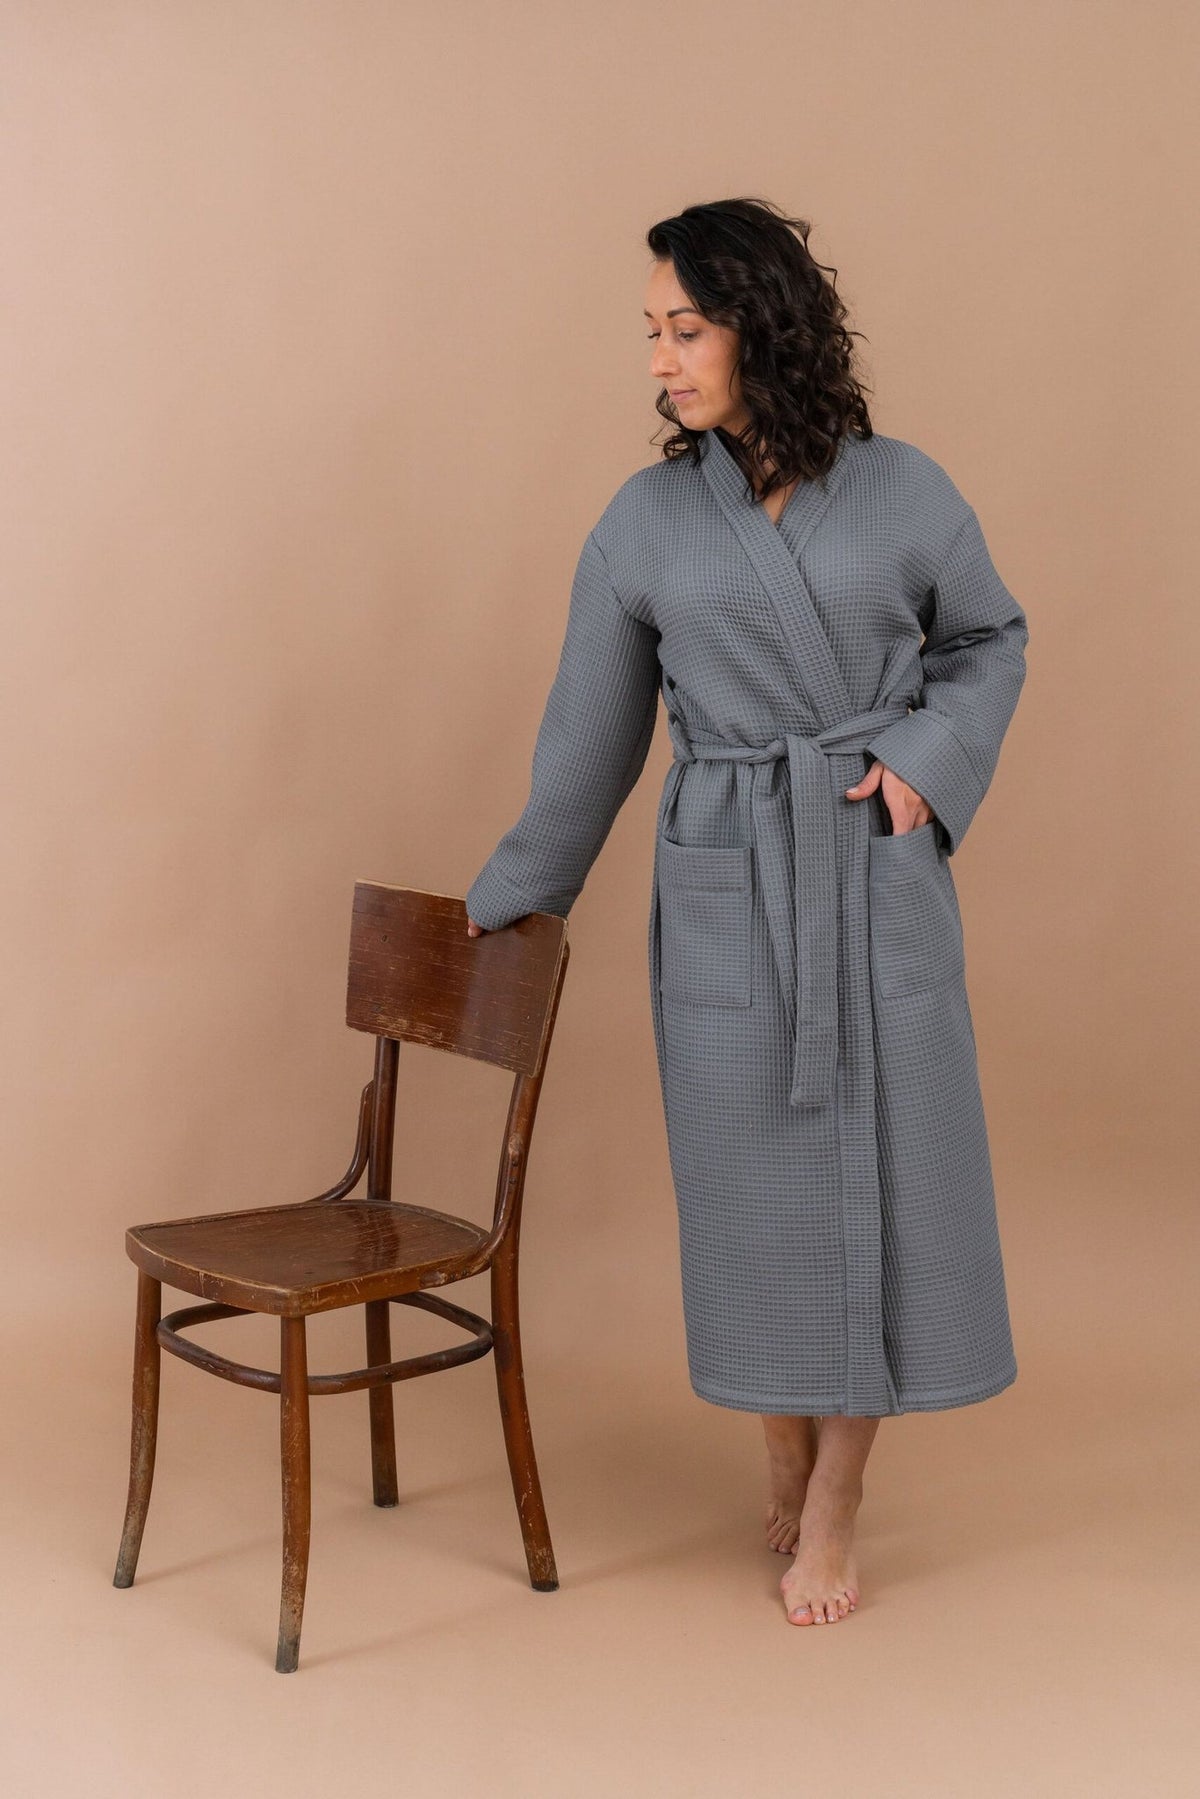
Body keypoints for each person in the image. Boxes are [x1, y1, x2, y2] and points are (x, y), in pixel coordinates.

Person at [463, 197, 1029, 1628]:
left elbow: (989, 642)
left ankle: (835, 1497)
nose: (660, 359)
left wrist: (921, 761)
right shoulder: (645, 521)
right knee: (752, 1195)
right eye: (651, 332)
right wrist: (509, 900)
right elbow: (590, 738)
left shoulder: (908, 491)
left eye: (684, 327)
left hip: (871, 872)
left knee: (888, 1181)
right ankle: (780, 1441)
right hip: (725, 883)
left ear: (758, 326)